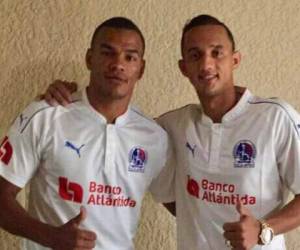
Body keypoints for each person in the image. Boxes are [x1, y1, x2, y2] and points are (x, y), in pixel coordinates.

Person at [44, 14, 300, 250]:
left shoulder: (275, 117)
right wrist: (65, 98)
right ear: (183, 67)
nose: (207, 64)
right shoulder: (170, 127)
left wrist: (263, 229)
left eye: (216, 52)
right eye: (195, 55)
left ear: (235, 59)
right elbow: (118, 126)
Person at [0, 17, 172, 250]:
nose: (118, 64)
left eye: (129, 57)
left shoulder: (154, 137)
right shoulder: (45, 116)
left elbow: (183, 203)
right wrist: (50, 237)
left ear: (141, 68)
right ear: (90, 58)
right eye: (108, 53)